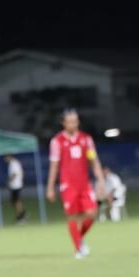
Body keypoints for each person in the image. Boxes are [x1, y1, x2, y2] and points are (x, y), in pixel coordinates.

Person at [46, 109, 104, 258]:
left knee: (91, 213)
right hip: (68, 185)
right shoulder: (57, 141)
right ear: (63, 123)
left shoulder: (86, 139)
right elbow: (54, 166)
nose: (73, 124)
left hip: (84, 184)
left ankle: (79, 239)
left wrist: (100, 179)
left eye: (75, 121)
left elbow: (93, 161)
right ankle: (79, 249)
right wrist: (50, 187)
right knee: (72, 216)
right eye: (70, 121)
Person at [4, 154, 27, 224]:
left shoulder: (14, 163)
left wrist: (9, 181)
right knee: (15, 201)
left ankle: (21, 216)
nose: (4, 159)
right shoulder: (13, 163)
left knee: (16, 201)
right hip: (15, 185)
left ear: (9, 156)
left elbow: (15, 173)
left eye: (5, 157)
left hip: (16, 185)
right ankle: (22, 214)